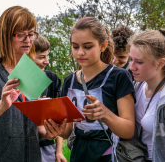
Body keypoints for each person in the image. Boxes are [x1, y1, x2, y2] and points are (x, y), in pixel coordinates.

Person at [43, 17, 135, 162]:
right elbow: (68, 131)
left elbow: (129, 130)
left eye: (87, 47)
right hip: (79, 153)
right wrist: (56, 129)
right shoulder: (69, 80)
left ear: (103, 46)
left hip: (108, 152)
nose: (80, 53)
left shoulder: (118, 76)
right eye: (75, 46)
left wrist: (105, 114)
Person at [0, 6, 42, 161]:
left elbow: (35, 128)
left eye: (31, 34)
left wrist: (50, 129)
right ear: (4, 36)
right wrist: (1, 106)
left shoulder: (30, 70)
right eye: (21, 35)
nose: (28, 40)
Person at [127, 29, 165, 162]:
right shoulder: (135, 87)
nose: (131, 67)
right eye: (130, 59)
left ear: (160, 63)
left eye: (139, 62)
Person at [33, 35, 67, 162]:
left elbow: (58, 116)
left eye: (47, 56)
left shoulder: (52, 79)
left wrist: (59, 151)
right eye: (41, 57)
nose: (46, 61)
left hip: (47, 146)